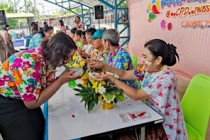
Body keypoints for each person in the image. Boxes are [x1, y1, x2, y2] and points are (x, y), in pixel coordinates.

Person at [88, 39, 188, 140]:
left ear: (158, 60)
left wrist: (111, 78)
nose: (142, 60)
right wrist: (104, 66)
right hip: (149, 114)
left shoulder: (166, 77)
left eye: (145, 57)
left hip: (162, 125)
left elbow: (136, 95)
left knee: (121, 135)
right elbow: (124, 74)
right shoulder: (147, 70)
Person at [0, 32, 79, 140]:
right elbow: (32, 103)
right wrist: (61, 80)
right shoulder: (28, 62)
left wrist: (61, 79)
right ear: (58, 53)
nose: (69, 61)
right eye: (67, 57)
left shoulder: (49, 60)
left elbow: (47, 87)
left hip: (25, 98)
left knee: (40, 129)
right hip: (7, 103)